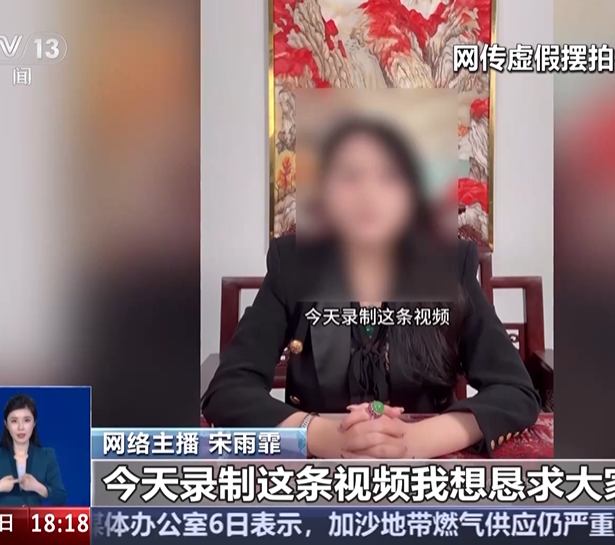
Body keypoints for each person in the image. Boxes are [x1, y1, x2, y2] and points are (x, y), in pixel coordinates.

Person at [201, 117, 540, 458]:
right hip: (321, 466)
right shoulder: (293, 263)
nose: (369, 194)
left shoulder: (448, 264)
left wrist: (415, 440)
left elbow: (514, 391)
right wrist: (321, 436)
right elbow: (229, 390)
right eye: (350, 176)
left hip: (425, 467)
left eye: (390, 176)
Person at [0, 394, 68, 506]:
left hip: (33, 517)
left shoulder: (47, 455)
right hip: (6, 517)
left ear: (34, 423)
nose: (20, 427)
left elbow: (61, 497)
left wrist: (38, 487)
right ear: (6, 424)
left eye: (26, 420)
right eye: (14, 421)